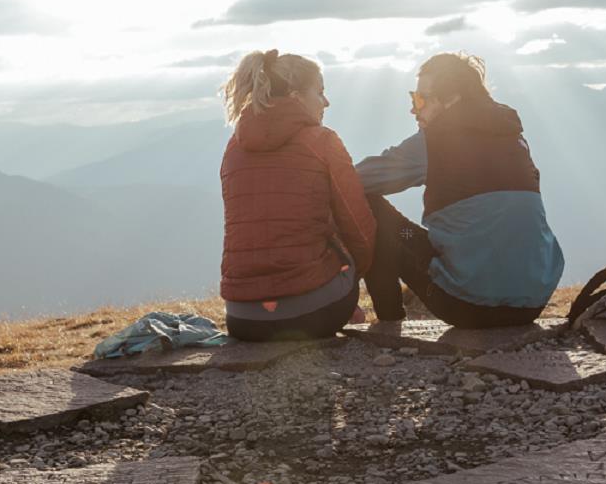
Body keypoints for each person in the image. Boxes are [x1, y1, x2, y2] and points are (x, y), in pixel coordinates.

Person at [355, 52, 564, 327]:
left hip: (466, 305)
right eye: (412, 98)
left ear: (452, 100)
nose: (413, 109)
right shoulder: (514, 138)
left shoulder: (435, 142)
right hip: (532, 303)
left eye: (420, 99)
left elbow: (352, 181)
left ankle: (389, 321)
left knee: (373, 209)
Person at [218, 49, 376, 342]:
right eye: (320, 92)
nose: (326, 102)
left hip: (242, 319)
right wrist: (349, 280)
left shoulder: (234, 147)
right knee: (371, 213)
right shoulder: (323, 141)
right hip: (312, 314)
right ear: (295, 96)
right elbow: (360, 229)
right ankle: (389, 310)